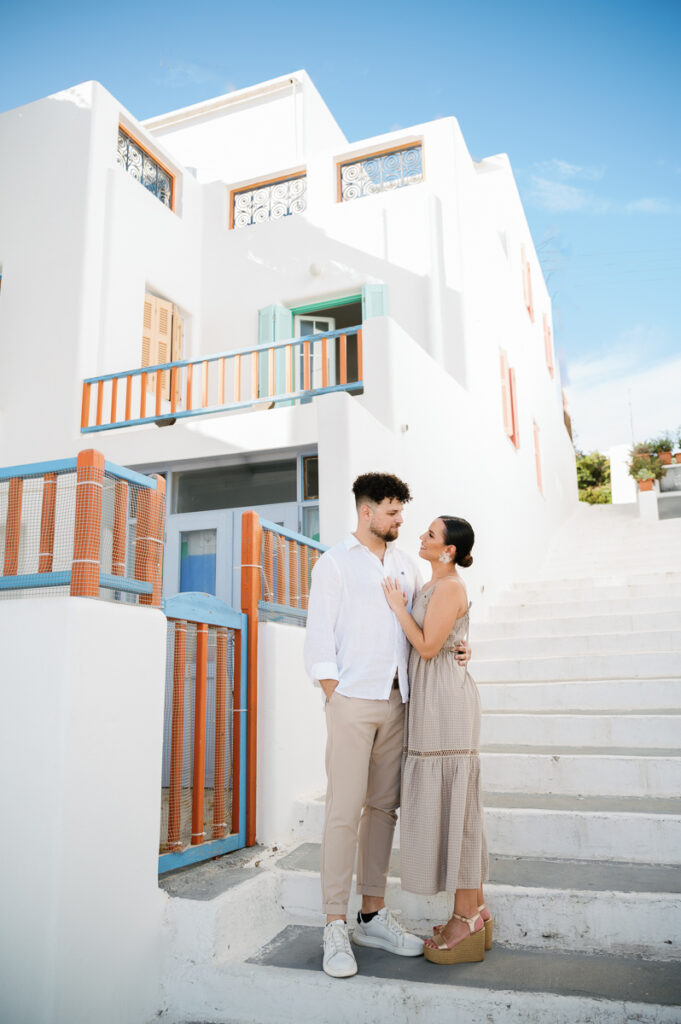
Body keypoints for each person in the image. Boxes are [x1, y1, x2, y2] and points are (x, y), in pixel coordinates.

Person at [304, 472, 426, 978]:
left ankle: (372, 913)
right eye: (392, 511)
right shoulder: (333, 564)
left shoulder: (408, 566)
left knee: (383, 811)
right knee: (342, 812)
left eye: (402, 511)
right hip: (352, 701)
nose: (400, 520)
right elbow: (318, 639)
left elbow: (424, 623)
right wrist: (336, 694)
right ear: (367, 511)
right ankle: (334, 923)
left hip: (398, 702)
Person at [382, 515, 491, 965]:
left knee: (458, 806)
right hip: (433, 698)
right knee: (454, 802)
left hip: (446, 701)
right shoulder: (435, 584)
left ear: (447, 550)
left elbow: (427, 647)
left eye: (430, 534)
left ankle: (465, 917)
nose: (420, 538)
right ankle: (476, 912)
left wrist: (397, 608)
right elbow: (448, 639)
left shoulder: (449, 586)